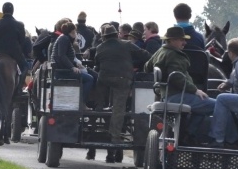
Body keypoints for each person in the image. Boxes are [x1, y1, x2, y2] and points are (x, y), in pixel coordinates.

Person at [87, 25, 151, 161]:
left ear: (104, 37)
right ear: (116, 35)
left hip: (104, 78)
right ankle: (115, 137)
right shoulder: (127, 44)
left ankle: (98, 109)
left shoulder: (100, 47)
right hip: (123, 79)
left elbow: (97, 64)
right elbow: (145, 55)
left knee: (99, 97)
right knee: (118, 108)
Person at [144, 26, 216, 141]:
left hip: (167, 95)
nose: (185, 43)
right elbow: (177, 78)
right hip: (178, 95)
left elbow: (147, 67)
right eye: (182, 40)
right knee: (217, 105)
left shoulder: (161, 51)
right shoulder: (174, 55)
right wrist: (195, 90)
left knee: (203, 106)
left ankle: (188, 134)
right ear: (172, 40)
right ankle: (197, 135)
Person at [50, 22, 95, 107]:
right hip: (63, 72)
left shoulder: (64, 38)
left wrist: (76, 64)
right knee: (89, 79)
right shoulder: (64, 39)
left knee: (88, 74)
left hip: (64, 69)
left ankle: (83, 101)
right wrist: (72, 67)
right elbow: (62, 56)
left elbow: (67, 56)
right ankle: (81, 103)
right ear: (72, 31)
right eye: (75, 31)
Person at [0, 2, 28, 92]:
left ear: (3, 11)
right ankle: (19, 89)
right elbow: (22, 41)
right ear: (13, 11)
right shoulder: (19, 25)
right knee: (25, 66)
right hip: (13, 51)